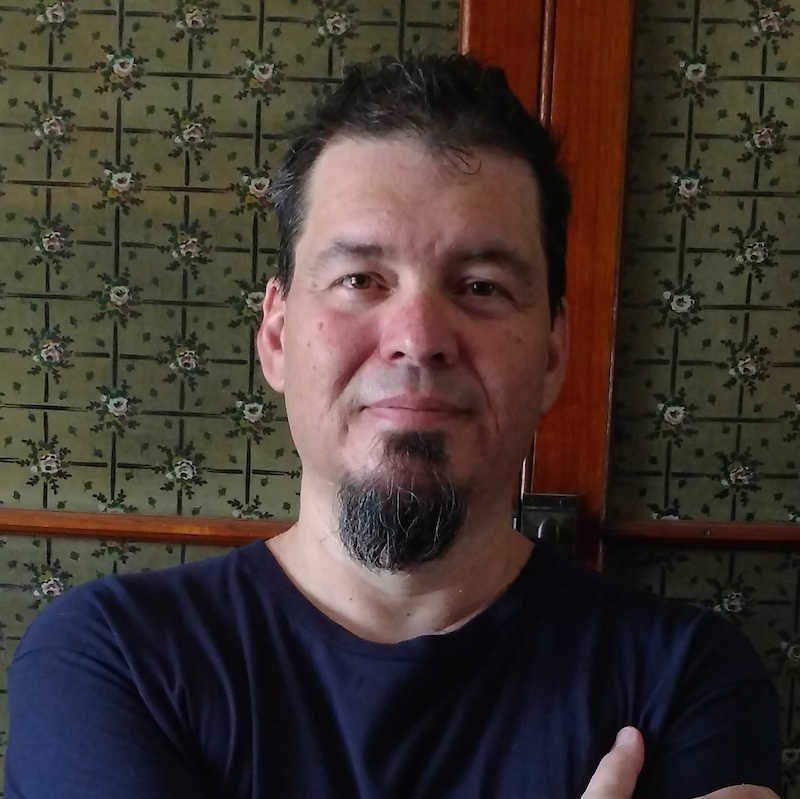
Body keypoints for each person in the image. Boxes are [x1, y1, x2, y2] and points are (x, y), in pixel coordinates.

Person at [6, 54, 780, 799]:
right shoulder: (111, 657)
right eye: (360, 279)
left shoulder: (684, 677)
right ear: (276, 334)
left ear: (552, 352)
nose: (418, 335)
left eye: (480, 286)